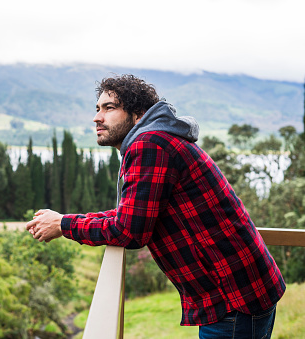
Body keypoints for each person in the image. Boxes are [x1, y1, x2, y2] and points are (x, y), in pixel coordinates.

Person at [25, 74, 285, 338]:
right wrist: (66, 220)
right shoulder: (155, 141)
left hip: (232, 298)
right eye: (97, 109)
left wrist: (63, 225)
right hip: (239, 290)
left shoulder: (150, 145)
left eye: (109, 108)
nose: (97, 118)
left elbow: (129, 231)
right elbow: (132, 213)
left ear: (138, 115)